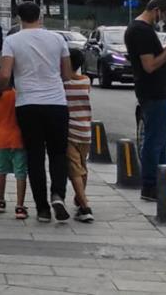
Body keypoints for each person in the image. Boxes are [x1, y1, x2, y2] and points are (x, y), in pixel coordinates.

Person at [0, 1, 74, 224]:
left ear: (19, 19)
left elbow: (4, 75)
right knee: (58, 153)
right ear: (40, 16)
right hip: (57, 103)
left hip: (27, 104)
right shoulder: (58, 39)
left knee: (35, 156)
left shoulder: (12, 40)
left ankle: (42, 209)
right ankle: (58, 194)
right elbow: (67, 74)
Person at [124, 0, 166, 202]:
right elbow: (149, 66)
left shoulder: (140, 29)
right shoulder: (141, 31)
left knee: (160, 139)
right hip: (154, 92)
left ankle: (159, 182)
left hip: (154, 92)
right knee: (154, 141)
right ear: (156, 9)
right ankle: (150, 186)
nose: (165, 20)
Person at [0, 82, 28, 219]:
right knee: (20, 173)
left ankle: (0, 201)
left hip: (0, 138)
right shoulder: (19, 95)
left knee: (1, 171)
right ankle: (20, 207)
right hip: (19, 139)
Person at [64, 48, 94, 222]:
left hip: (70, 132)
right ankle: (80, 196)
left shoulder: (64, 83)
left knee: (74, 168)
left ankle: (85, 206)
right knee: (83, 165)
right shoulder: (86, 81)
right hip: (86, 131)